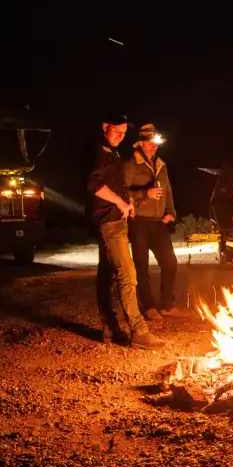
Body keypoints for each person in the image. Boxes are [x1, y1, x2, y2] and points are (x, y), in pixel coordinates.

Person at [83, 113, 164, 349]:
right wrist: (120, 203)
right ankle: (139, 330)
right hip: (109, 221)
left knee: (106, 275)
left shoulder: (111, 151)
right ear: (105, 127)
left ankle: (110, 327)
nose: (121, 136)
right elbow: (94, 185)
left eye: (124, 133)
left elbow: (114, 184)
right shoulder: (97, 151)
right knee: (128, 275)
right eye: (116, 131)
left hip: (114, 218)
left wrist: (127, 201)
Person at [123, 123, 190, 320]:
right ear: (140, 144)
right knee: (141, 265)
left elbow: (167, 191)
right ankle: (148, 306)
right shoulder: (130, 165)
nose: (154, 147)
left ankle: (167, 305)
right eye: (150, 143)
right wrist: (145, 194)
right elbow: (122, 192)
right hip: (139, 222)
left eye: (156, 143)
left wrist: (171, 212)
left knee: (170, 263)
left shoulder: (161, 165)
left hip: (158, 222)